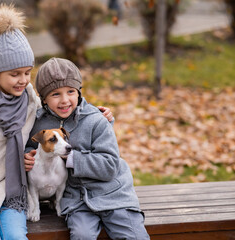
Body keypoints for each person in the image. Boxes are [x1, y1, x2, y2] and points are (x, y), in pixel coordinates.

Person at [0, 5, 113, 240]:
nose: (23, 80)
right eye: (15, 74)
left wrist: (98, 113)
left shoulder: (28, 100)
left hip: (13, 195)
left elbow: (57, 111)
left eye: (27, 72)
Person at [25, 57, 150, 240]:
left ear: (79, 92)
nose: (65, 100)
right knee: (82, 235)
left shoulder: (95, 120)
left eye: (70, 91)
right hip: (76, 201)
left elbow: (110, 165)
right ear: (43, 99)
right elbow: (28, 146)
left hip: (113, 195)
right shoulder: (38, 124)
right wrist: (26, 156)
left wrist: (72, 158)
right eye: (55, 94)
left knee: (133, 236)